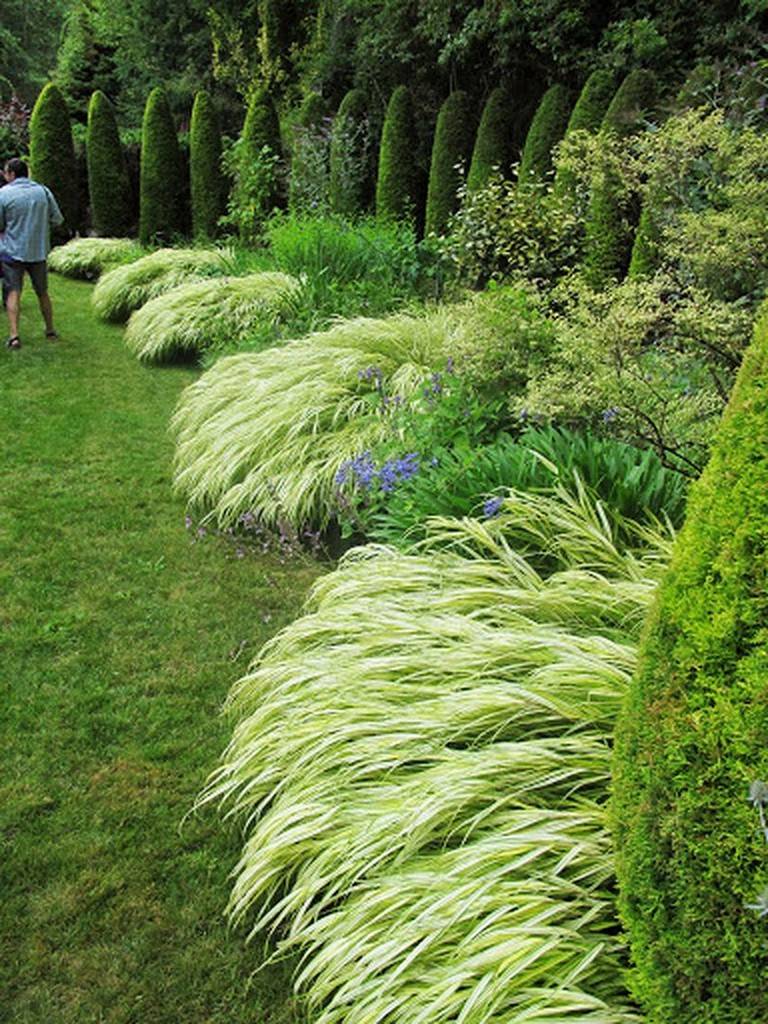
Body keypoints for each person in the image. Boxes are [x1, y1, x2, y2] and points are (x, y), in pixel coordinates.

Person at [0, 157, 63, 350]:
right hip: (38, 251)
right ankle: (50, 330)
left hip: (12, 252)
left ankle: (14, 336)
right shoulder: (43, 191)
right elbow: (57, 219)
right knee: (42, 292)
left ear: (11, 174)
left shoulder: (3, 194)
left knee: (13, 292)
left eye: (5, 172)